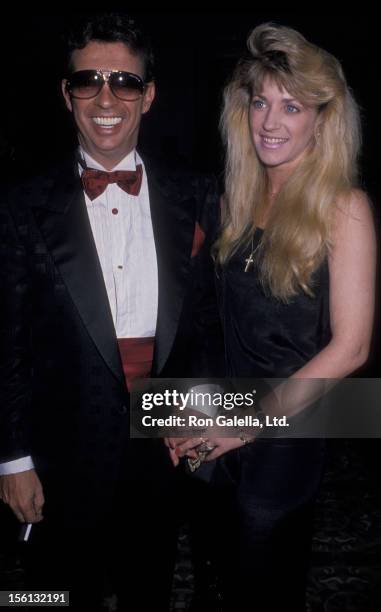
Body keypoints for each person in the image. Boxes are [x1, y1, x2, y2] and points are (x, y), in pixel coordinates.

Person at [0, 12, 222, 611]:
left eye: (124, 83)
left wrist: (202, 424)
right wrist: (13, 458)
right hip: (58, 451)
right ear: (65, 92)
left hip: (162, 445)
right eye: (88, 80)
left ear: (147, 96)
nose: (106, 98)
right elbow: (7, 343)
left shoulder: (198, 196)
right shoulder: (21, 205)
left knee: (149, 588)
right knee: (52, 593)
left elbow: (205, 326)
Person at [169, 23, 376, 611]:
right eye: (261, 101)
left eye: (292, 106)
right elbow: (210, 318)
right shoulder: (234, 195)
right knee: (214, 575)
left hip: (284, 437)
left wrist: (246, 425)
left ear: (322, 118)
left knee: (262, 586)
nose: (270, 121)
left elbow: (353, 348)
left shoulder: (345, 208)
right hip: (222, 418)